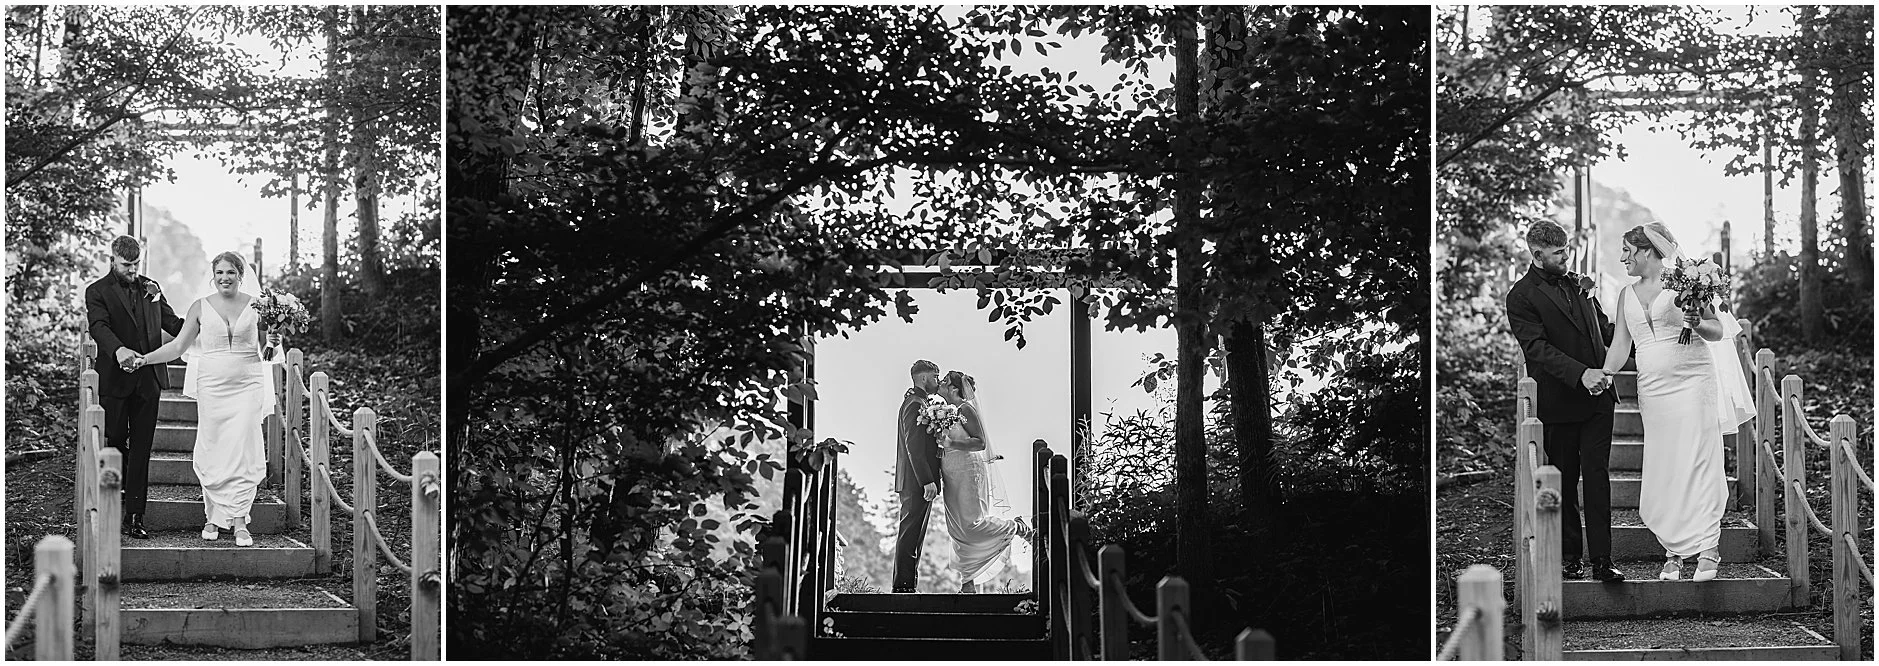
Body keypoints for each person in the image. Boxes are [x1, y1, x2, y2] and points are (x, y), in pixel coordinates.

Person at [1596, 223, 1753, 582]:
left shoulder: (1683, 281)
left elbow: (1716, 330)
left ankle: (1708, 548)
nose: (1623, 258)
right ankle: (1674, 551)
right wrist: (1604, 372)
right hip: (1653, 390)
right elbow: (1621, 345)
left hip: (1693, 382)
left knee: (1699, 459)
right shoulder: (1625, 295)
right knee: (1666, 465)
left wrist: (1696, 322)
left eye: (1627, 251)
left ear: (1648, 250)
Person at [133, 252, 280, 547]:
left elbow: (269, 352)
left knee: (243, 448)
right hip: (212, 386)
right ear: (213, 276)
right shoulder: (200, 307)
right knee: (213, 448)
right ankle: (212, 516)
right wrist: (144, 359)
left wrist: (274, 343)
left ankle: (240, 521)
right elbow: (177, 347)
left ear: (241, 274)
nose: (225, 277)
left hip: (248, 384)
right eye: (220, 272)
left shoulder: (259, 306)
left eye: (231, 272)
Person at [1505, 220, 1624, 582]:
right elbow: (1537, 350)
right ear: (1537, 255)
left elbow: (1606, 330)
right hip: (1558, 402)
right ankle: (1569, 557)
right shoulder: (1520, 296)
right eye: (1559, 253)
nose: (1567, 257)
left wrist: (1649, 339)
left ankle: (1602, 560)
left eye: (1567, 249)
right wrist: (1579, 374)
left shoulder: (1579, 284)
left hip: (1599, 400)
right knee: (1565, 479)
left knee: (1598, 477)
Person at [86, 235, 185, 539]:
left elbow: (173, 324)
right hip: (114, 379)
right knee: (114, 439)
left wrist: (208, 327)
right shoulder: (97, 291)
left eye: (136, 264)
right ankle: (116, 496)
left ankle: (135, 516)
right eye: (126, 264)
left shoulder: (151, 287)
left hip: (148, 380)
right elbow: (99, 327)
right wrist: (118, 350)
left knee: (142, 448)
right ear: (112, 259)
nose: (132, 270)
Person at [936, 371, 1034, 593]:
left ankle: (1017, 527)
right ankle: (967, 583)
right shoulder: (945, 412)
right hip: (951, 473)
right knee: (957, 529)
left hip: (968, 470)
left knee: (971, 526)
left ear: (953, 389)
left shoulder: (965, 409)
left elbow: (980, 442)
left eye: (944, 382)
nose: (940, 383)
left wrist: (951, 442)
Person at [892, 360, 946, 592]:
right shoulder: (914, 404)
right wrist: (927, 481)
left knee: (915, 534)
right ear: (923, 378)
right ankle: (903, 587)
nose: (938, 381)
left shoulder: (916, 401)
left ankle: (907, 585)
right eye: (935, 377)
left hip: (916, 480)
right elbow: (913, 446)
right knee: (910, 534)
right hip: (916, 481)